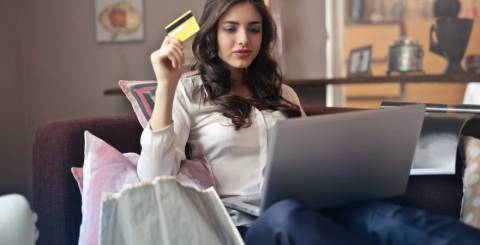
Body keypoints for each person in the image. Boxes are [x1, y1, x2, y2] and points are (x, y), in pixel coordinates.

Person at [138, 0, 480, 244]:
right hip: (252, 225)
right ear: (212, 34)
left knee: (386, 217)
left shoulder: (282, 92)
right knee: (288, 219)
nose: (244, 40)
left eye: (254, 30)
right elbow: (153, 176)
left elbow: (311, 158)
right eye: (231, 29)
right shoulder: (189, 91)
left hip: (317, 205)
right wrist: (166, 87)